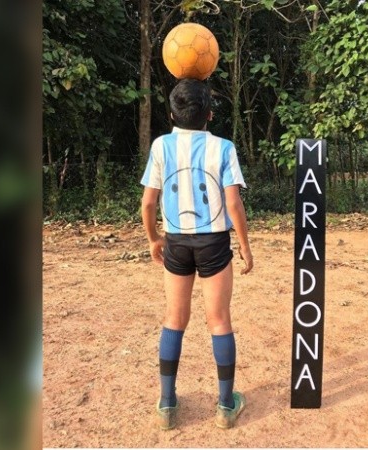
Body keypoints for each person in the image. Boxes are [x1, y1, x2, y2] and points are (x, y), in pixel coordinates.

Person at [140, 78, 254, 430]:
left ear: (170, 112)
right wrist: (246, 247)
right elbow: (233, 203)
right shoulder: (223, 147)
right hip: (214, 244)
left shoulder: (161, 147)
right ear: (210, 114)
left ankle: (167, 405)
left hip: (176, 242)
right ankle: (224, 406)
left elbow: (148, 202)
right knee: (218, 320)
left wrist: (153, 238)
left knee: (174, 319)